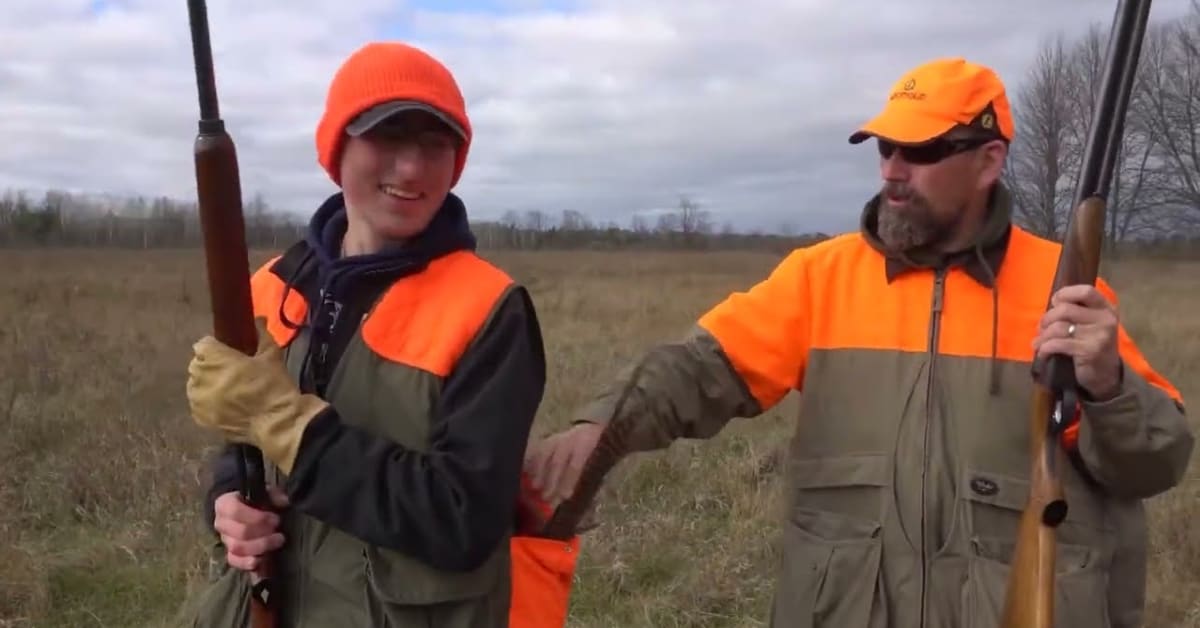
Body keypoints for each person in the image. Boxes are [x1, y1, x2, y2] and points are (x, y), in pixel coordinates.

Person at [524, 57, 1194, 628]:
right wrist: (597, 429)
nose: (894, 170)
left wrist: (1108, 386)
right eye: (885, 148)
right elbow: (695, 370)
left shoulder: (1065, 290)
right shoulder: (822, 278)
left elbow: (1154, 465)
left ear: (990, 160)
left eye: (924, 151)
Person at [184, 41, 575, 628]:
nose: (412, 167)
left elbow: (463, 520)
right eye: (387, 137)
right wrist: (226, 500)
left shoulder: (491, 310)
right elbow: (242, 446)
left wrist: (291, 428)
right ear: (336, 148)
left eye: (434, 144)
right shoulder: (271, 286)